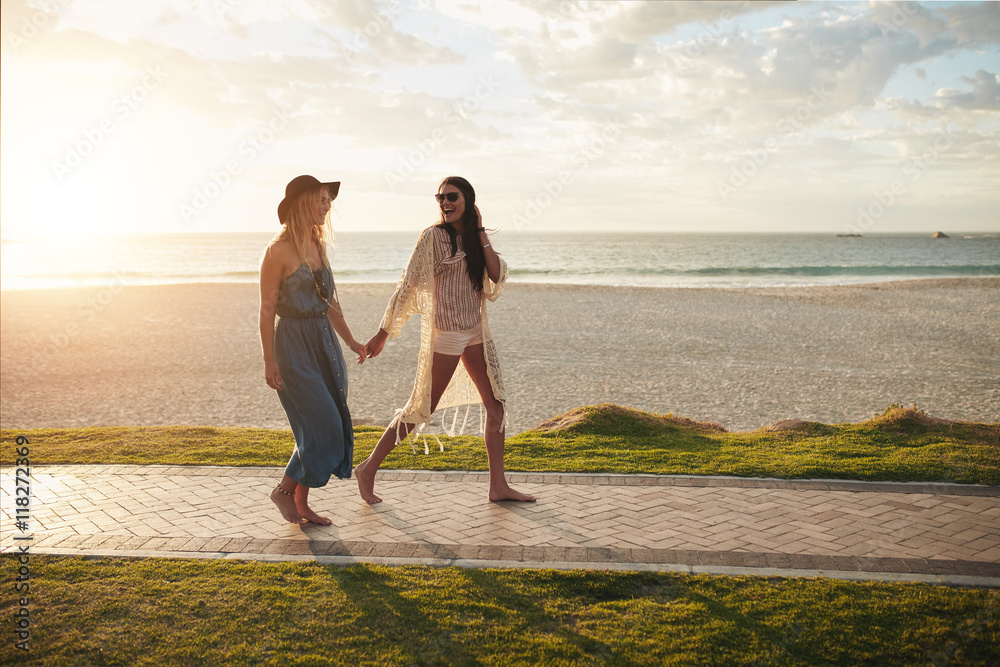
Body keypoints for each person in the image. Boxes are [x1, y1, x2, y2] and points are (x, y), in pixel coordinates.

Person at [354, 176, 535, 504]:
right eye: (440, 198)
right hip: (448, 334)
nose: (445, 203)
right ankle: (367, 469)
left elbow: (496, 275)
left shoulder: (473, 238)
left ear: (467, 199)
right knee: (422, 408)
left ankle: (498, 486)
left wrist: (479, 231)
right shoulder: (432, 237)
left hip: (476, 331)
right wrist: (384, 332)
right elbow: (408, 286)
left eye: (451, 197)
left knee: (496, 407)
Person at [260, 175, 367, 524]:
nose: (327, 206)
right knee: (323, 422)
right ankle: (283, 491)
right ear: (303, 202)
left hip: (325, 343)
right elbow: (266, 309)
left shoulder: (318, 246)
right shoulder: (277, 251)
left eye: (328, 200)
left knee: (321, 422)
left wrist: (351, 340)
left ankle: (299, 502)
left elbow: (330, 301)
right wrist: (268, 359)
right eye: (321, 199)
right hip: (293, 344)